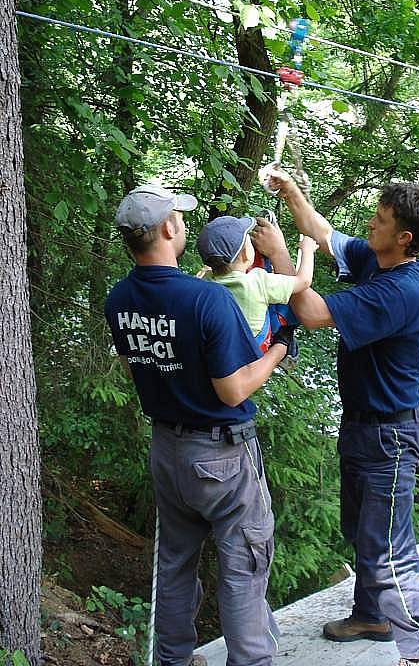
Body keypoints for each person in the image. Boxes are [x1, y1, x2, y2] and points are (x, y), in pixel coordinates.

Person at [251, 170, 419, 666]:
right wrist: (290, 191)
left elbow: (312, 313)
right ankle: (372, 615)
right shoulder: (375, 260)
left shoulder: (401, 289)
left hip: (390, 436)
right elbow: (321, 231)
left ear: (404, 238)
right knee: (362, 531)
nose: (369, 223)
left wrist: (278, 258)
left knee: (390, 549)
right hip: (364, 425)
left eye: (379, 220)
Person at [104, 184, 292, 666]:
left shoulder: (118, 299)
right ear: (168, 228)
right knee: (243, 563)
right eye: (180, 219)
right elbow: (233, 389)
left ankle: (174, 659)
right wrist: (276, 351)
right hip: (223, 454)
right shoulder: (207, 300)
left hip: (167, 450)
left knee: (175, 562)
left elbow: (135, 365)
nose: (183, 225)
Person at [196, 214, 318, 350]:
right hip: (256, 348)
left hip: (223, 349)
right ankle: (288, 348)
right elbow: (304, 281)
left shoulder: (204, 283)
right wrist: (307, 250)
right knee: (289, 302)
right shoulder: (258, 282)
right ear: (246, 254)